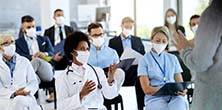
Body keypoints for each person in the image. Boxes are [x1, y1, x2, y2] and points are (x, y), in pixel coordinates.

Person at [173, 0, 222, 110]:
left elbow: (200, 63)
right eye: (193, 24)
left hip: (212, 98)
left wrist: (184, 49)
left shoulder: (214, 13)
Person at [56, 31, 118, 110]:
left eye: (87, 49)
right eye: (82, 49)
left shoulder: (97, 71)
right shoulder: (62, 78)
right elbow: (61, 106)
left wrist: (110, 79)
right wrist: (81, 95)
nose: (86, 52)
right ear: (73, 52)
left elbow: (110, 95)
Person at [138, 26, 189, 110]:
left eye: (164, 41)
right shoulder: (144, 60)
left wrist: (183, 91)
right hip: (155, 98)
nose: (160, 43)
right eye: (157, 41)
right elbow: (146, 89)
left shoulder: (173, 58)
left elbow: (180, 83)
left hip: (173, 96)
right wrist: (165, 89)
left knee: (181, 103)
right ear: (151, 40)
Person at [108, 16, 145, 110]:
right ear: (121, 26)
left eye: (130, 27)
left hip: (134, 69)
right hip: (120, 69)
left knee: (141, 76)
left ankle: (140, 106)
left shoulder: (137, 40)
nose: (128, 29)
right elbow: (111, 57)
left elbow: (143, 55)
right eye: (126, 27)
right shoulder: (113, 41)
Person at [87, 22, 125, 109]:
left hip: (109, 82)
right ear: (89, 37)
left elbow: (117, 68)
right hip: (93, 84)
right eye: (95, 35)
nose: (99, 37)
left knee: (120, 72)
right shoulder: (86, 53)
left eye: (101, 34)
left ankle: (112, 94)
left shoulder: (112, 52)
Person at [0, 34, 42, 110]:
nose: (11, 45)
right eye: (6, 43)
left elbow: (33, 82)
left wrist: (25, 91)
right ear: (0, 48)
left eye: (12, 42)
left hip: (24, 96)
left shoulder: (24, 61)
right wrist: (14, 93)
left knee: (19, 101)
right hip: (5, 98)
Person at [44, 8, 74, 103]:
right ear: (54, 17)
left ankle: (71, 90)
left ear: (64, 17)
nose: (60, 17)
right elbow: (46, 49)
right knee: (48, 66)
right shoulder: (48, 31)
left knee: (72, 63)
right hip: (54, 57)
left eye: (61, 15)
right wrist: (53, 56)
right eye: (58, 15)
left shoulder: (70, 29)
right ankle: (52, 93)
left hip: (68, 56)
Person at [15, 15, 54, 83]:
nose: (32, 29)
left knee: (36, 61)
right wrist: (31, 57)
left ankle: (20, 80)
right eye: (28, 27)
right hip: (31, 71)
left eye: (33, 26)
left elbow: (52, 53)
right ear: (23, 29)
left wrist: (44, 54)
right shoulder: (17, 43)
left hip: (46, 70)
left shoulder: (44, 39)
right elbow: (19, 56)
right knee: (34, 79)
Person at [164, 8, 191, 82]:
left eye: (172, 15)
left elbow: (184, 41)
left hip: (179, 51)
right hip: (168, 52)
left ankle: (185, 82)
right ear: (166, 18)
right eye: (168, 16)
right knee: (174, 60)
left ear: (175, 16)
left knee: (182, 60)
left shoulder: (180, 28)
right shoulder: (164, 29)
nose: (170, 18)